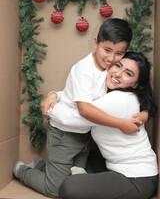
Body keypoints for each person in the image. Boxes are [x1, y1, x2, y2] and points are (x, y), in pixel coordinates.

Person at [13, 19, 147, 198]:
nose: (111, 59)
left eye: (119, 54)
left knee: (75, 177)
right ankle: (22, 171)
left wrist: (56, 93)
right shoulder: (84, 69)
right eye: (107, 50)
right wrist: (121, 124)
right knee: (55, 190)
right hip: (64, 133)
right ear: (96, 43)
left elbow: (74, 94)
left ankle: (41, 166)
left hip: (83, 136)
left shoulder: (111, 72)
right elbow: (84, 111)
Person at [59, 52, 158, 199]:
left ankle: (25, 171)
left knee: (67, 187)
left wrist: (50, 108)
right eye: (118, 65)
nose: (118, 73)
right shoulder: (108, 93)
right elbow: (79, 97)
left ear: (135, 84)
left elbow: (74, 116)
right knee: (74, 162)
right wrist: (56, 94)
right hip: (113, 165)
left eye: (128, 74)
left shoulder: (118, 99)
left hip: (136, 179)